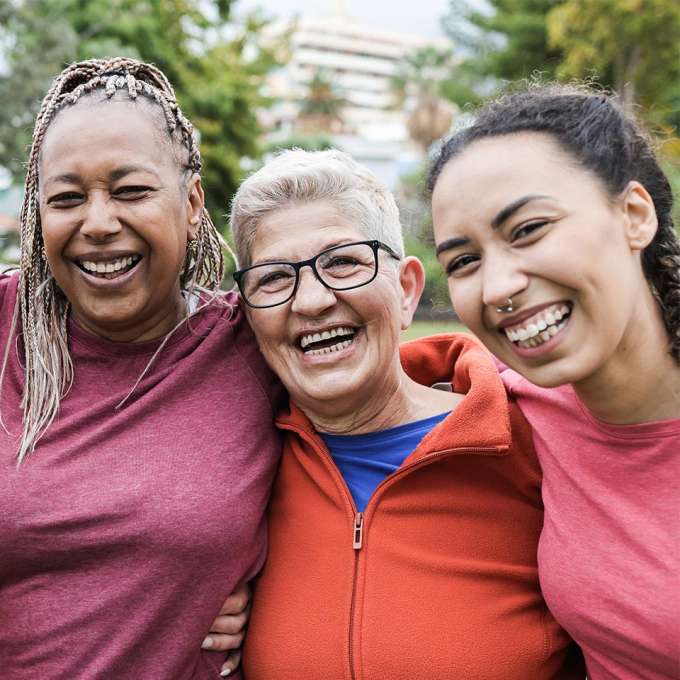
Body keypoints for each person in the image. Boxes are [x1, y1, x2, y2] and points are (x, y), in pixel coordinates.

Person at [228, 149, 584, 679]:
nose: (311, 301)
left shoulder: (540, 440)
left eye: (343, 262)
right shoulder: (234, 475)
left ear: (406, 290)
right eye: (274, 278)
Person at [0, 58, 280, 679]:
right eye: (67, 199)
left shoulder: (256, 341)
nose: (98, 224)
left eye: (131, 191)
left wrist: (285, 592)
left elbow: (379, 414)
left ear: (191, 202)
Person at [428, 84, 679, 680]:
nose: (497, 288)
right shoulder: (512, 402)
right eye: (464, 261)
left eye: (529, 229)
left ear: (633, 215)